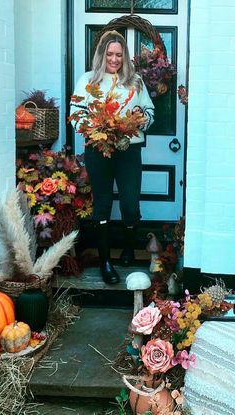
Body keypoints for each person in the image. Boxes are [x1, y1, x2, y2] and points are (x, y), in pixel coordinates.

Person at [70, 30, 155, 284]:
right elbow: (75, 114)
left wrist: (142, 116)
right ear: (102, 55)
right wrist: (95, 127)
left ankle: (128, 248)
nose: (114, 59)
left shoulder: (136, 81)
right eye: (110, 54)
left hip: (129, 151)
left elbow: (150, 113)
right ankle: (106, 262)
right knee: (103, 205)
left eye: (119, 54)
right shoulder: (88, 80)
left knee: (130, 204)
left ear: (125, 56)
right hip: (98, 152)